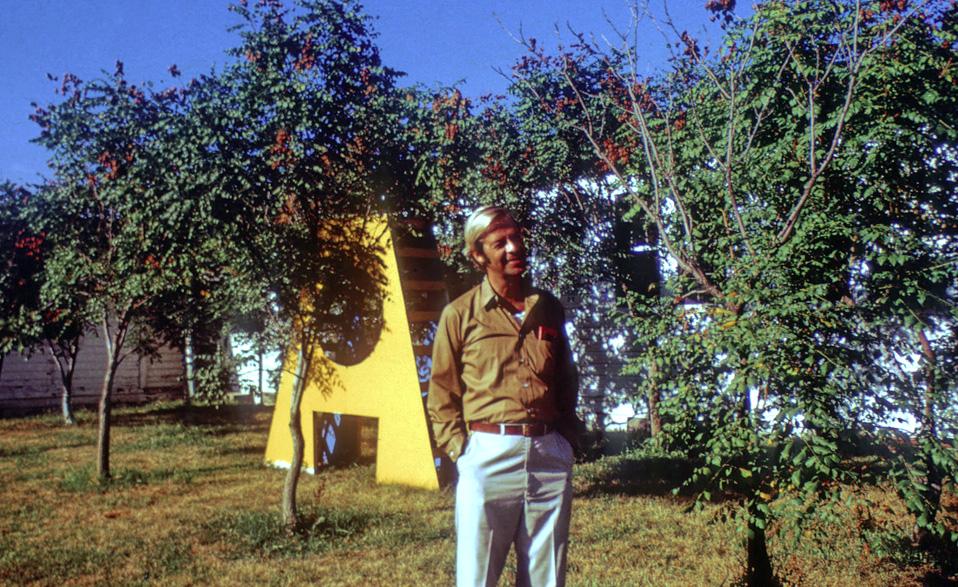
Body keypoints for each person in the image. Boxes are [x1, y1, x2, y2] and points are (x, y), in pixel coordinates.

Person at [428, 205, 580, 587]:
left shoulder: (547, 308)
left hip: (548, 455)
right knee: (478, 577)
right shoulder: (459, 315)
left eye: (517, 237)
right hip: (488, 456)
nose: (515, 248)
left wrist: (565, 441)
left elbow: (566, 378)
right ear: (478, 255)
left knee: (547, 578)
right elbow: (442, 393)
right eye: (501, 242)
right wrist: (462, 450)